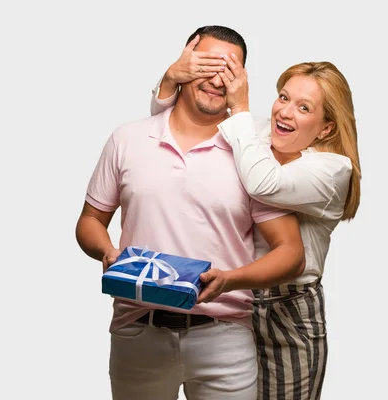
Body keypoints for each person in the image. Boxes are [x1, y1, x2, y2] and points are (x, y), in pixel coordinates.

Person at [75, 25, 307, 400]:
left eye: (230, 71)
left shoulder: (253, 157)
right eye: (207, 64)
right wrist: (107, 252)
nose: (217, 79)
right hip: (137, 330)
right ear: (185, 60)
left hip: (225, 337)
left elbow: (291, 253)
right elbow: (89, 220)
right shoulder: (127, 139)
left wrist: (230, 280)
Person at [150, 45, 361, 400]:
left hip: (287, 311)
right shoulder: (259, 135)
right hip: (237, 304)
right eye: (283, 97)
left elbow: (263, 183)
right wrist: (172, 78)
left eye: (303, 107)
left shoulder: (332, 170)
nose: (285, 112)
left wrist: (241, 108)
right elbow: (183, 126)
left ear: (326, 128)